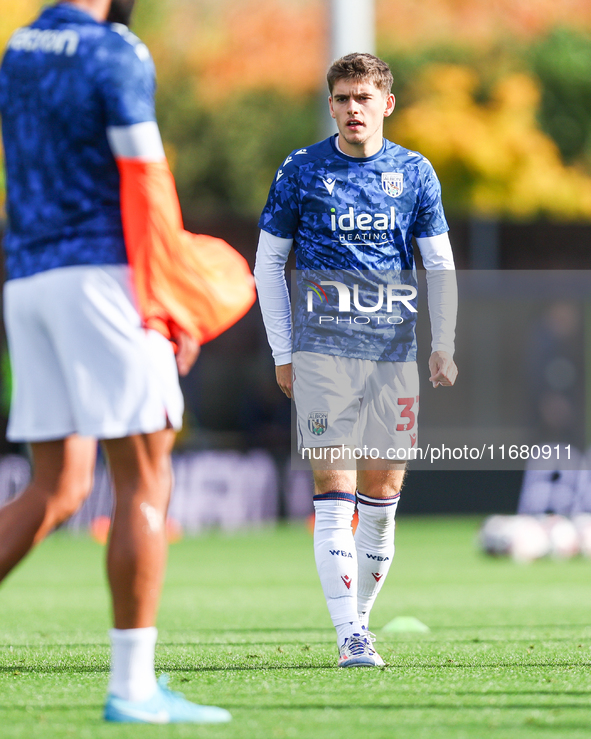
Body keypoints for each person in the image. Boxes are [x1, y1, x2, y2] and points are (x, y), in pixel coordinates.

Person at [0, 0, 232, 723]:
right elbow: (147, 182)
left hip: (27, 280)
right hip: (103, 279)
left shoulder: (17, 48)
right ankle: (133, 690)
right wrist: (171, 297)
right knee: (144, 478)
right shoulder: (115, 52)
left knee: (58, 486)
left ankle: (135, 686)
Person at [255, 53, 458, 667]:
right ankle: (350, 638)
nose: (352, 110)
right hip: (322, 353)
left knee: (383, 493)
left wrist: (442, 342)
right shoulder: (301, 170)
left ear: (385, 104)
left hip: (393, 354)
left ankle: (358, 620)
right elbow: (267, 264)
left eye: (363, 98)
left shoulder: (415, 173)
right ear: (331, 104)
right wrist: (283, 351)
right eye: (341, 99)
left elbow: (440, 264)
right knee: (333, 488)